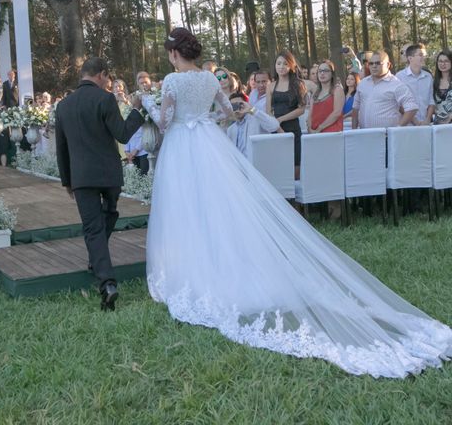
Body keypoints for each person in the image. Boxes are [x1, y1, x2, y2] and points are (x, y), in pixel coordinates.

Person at [140, 27, 452, 378]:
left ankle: (196, 271)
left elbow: (165, 123)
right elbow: (226, 114)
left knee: (188, 210)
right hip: (211, 146)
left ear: (172, 54)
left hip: (183, 148)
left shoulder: (171, 82)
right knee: (224, 208)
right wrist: (203, 119)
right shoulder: (210, 81)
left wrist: (147, 103)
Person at [55, 57, 145, 311]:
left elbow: (61, 148)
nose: (108, 82)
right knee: (110, 213)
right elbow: (123, 133)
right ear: (101, 75)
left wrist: (66, 181)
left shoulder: (63, 106)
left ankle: (105, 279)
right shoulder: (105, 100)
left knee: (93, 228)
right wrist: (136, 110)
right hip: (109, 175)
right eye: (107, 78)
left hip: (82, 177)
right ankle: (104, 273)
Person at [352, 50, 419, 129]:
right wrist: (354, 130)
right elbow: (355, 107)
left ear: (388, 64)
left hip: (387, 138)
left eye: (378, 63)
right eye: (371, 63)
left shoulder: (396, 84)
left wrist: (397, 129)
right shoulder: (363, 83)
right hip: (364, 135)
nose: (374, 66)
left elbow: (412, 108)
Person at [266, 51, 307, 176]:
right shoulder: (271, 86)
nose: (281, 67)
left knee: (296, 164)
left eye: (285, 64)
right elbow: (268, 111)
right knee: (279, 164)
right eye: (278, 63)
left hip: (293, 128)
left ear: (291, 66)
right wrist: (277, 126)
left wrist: (281, 119)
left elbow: (302, 109)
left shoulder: (299, 84)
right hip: (276, 129)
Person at [396, 44, 435, 125]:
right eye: (421, 55)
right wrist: (415, 121)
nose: (424, 57)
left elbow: (431, 101)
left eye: (424, 55)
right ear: (410, 58)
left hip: (425, 124)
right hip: (407, 125)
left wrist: (427, 119)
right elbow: (398, 104)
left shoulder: (428, 77)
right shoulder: (399, 77)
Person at [307, 60, 344, 133]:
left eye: (326, 71)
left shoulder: (337, 90)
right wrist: (309, 128)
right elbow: (310, 115)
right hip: (315, 133)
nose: (322, 73)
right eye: (320, 71)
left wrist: (320, 128)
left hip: (332, 133)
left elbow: (337, 113)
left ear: (332, 74)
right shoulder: (315, 93)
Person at [433, 49, 452, 124]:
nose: (443, 64)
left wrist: (449, 118)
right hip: (438, 124)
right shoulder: (433, 82)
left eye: (446, 61)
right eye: (440, 61)